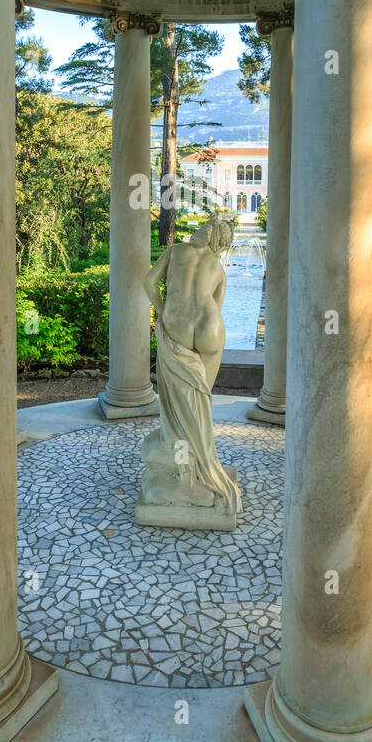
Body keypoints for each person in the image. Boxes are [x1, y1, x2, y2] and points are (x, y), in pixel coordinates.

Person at [137, 213, 241, 525]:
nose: (197, 232)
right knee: (201, 396)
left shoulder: (176, 251)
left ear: (210, 236)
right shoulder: (219, 269)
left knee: (182, 399)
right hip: (210, 328)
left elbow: (148, 282)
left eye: (203, 229)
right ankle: (202, 459)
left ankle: (188, 464)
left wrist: (162, 309)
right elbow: (217, 306)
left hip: (177, 326)